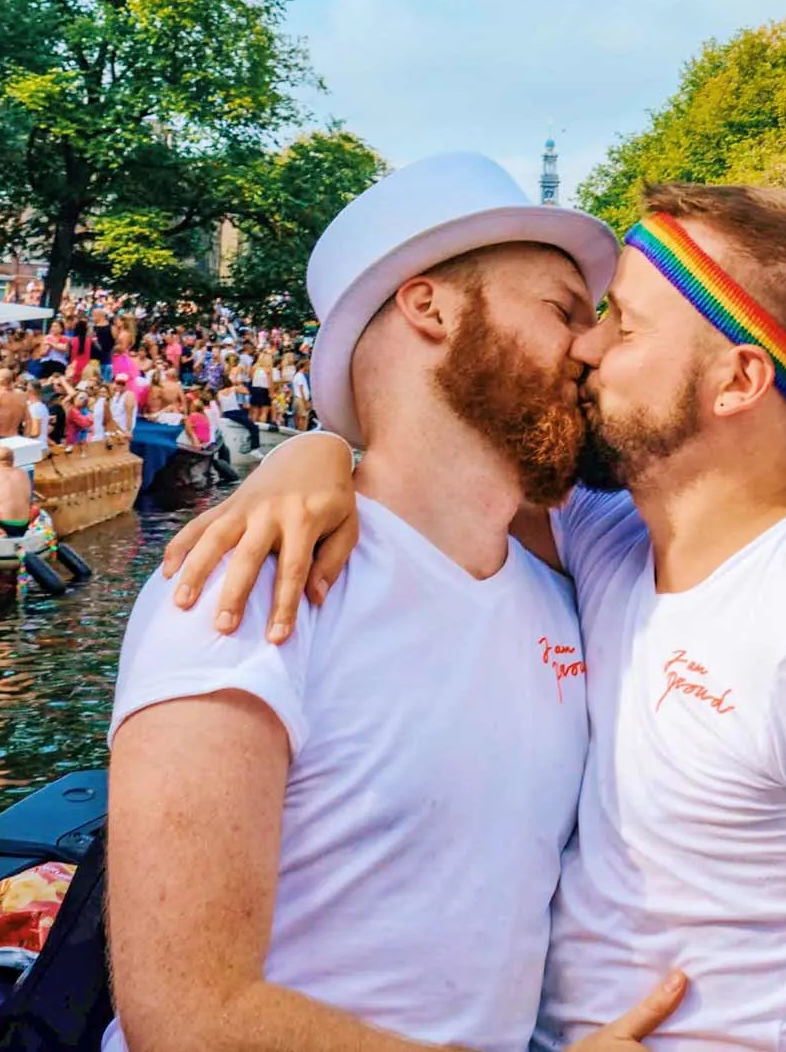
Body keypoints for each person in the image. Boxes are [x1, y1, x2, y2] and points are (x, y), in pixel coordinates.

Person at [166, 180, 786, 1050]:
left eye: (624, 321)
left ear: (738, 381)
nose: (587, 346)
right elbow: (443, 462)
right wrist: (312, 457)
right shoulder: (611, 537)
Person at [102, 155, 677, 1052]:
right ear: (431, 307)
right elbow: (187, 1015)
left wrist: (318, 448)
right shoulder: (250, 582)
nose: (595, 347)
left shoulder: (561, 594)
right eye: (563, 311)